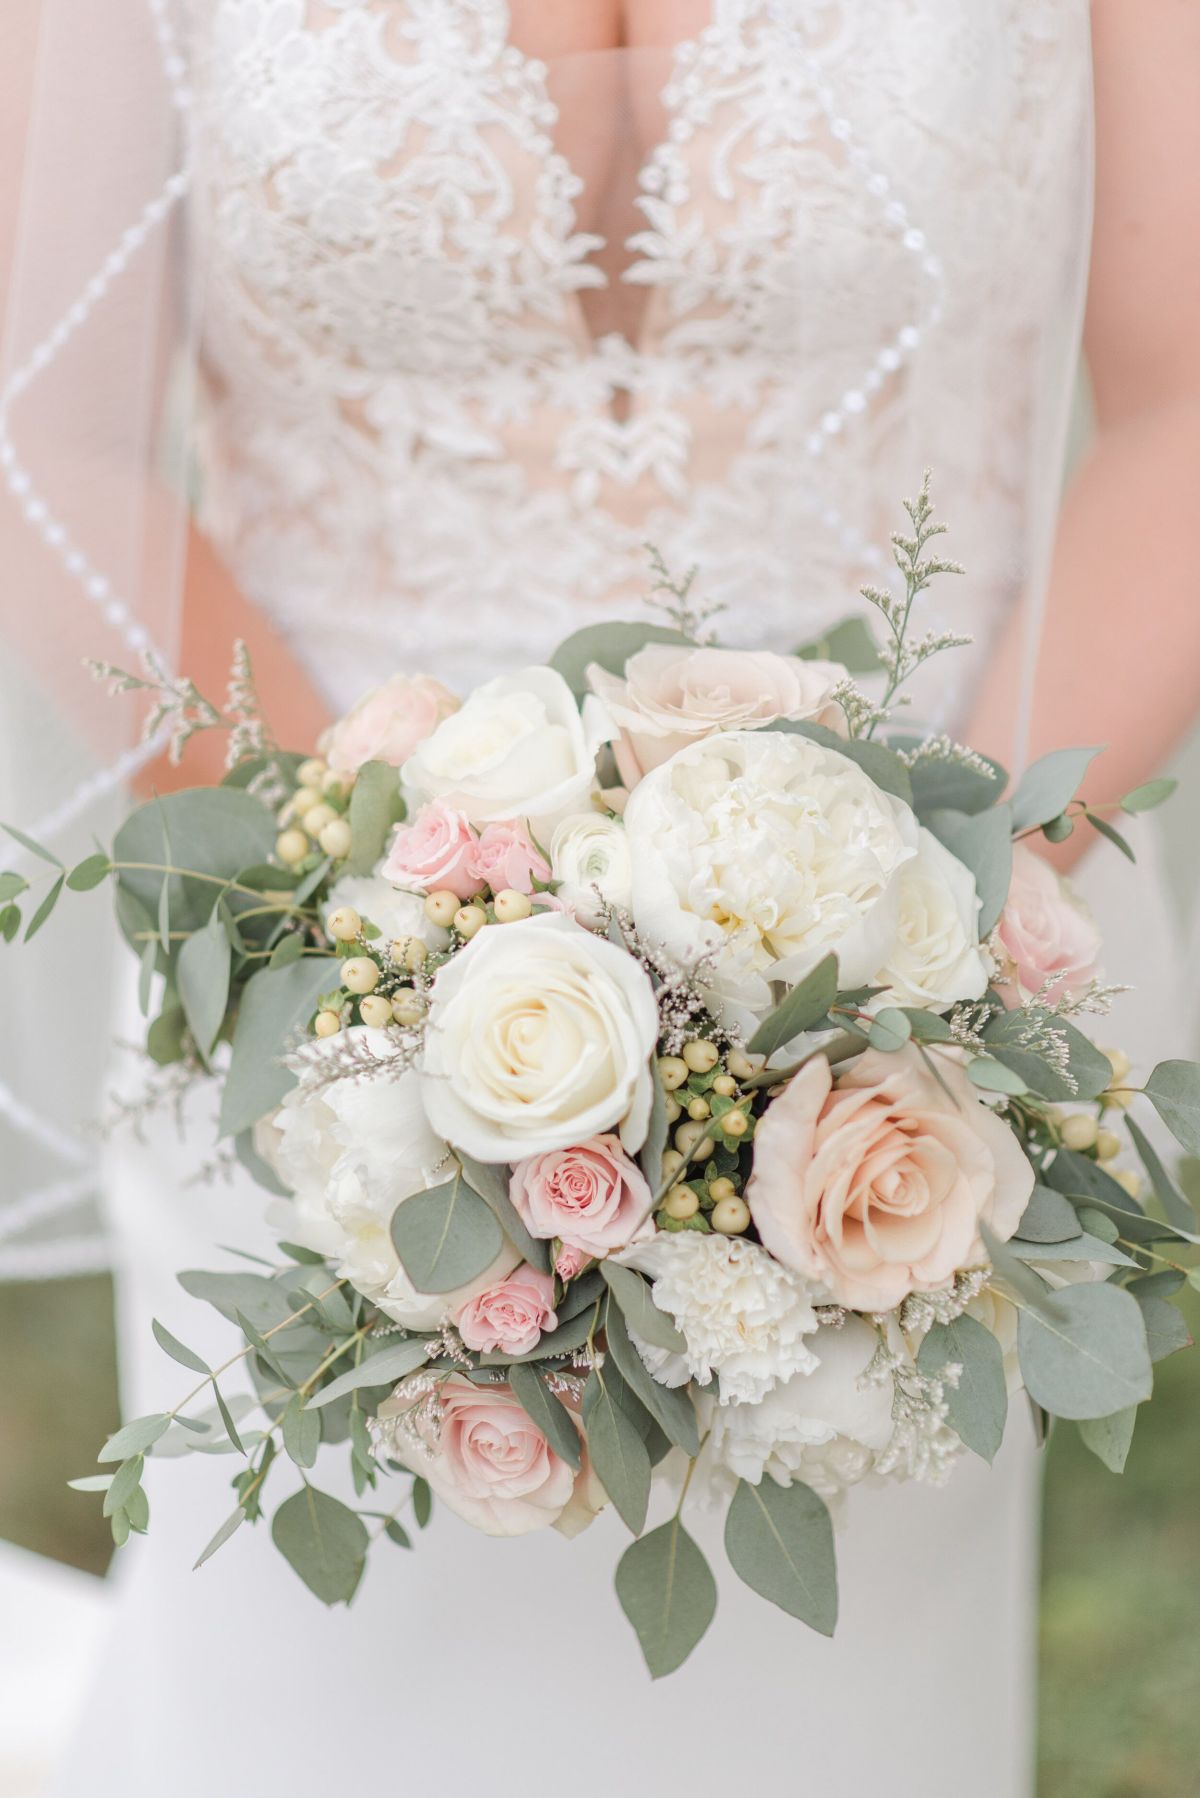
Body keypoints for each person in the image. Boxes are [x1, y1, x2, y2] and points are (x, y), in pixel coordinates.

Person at [0, 4, 1197, 1794]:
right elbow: (47, 427)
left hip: (905, 1066)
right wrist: (392, 946)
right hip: (306, 995)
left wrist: (938, 943)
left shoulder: (922, 1017)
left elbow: (1183, 408)